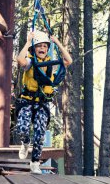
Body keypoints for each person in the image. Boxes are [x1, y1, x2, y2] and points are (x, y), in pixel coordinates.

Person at [16, 30, 72, 174]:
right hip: (27, 101)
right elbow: (20, 60)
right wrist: (28, 41)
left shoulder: (50, 64)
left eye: (45, 46)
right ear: (34, 49)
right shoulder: (30, 61)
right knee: (22, 128)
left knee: (40, 133)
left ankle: (35, 162)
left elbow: (68, 61)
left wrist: (57, 42)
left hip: (42, 103)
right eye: (39, 46)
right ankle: (25, 142)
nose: (42, 49)